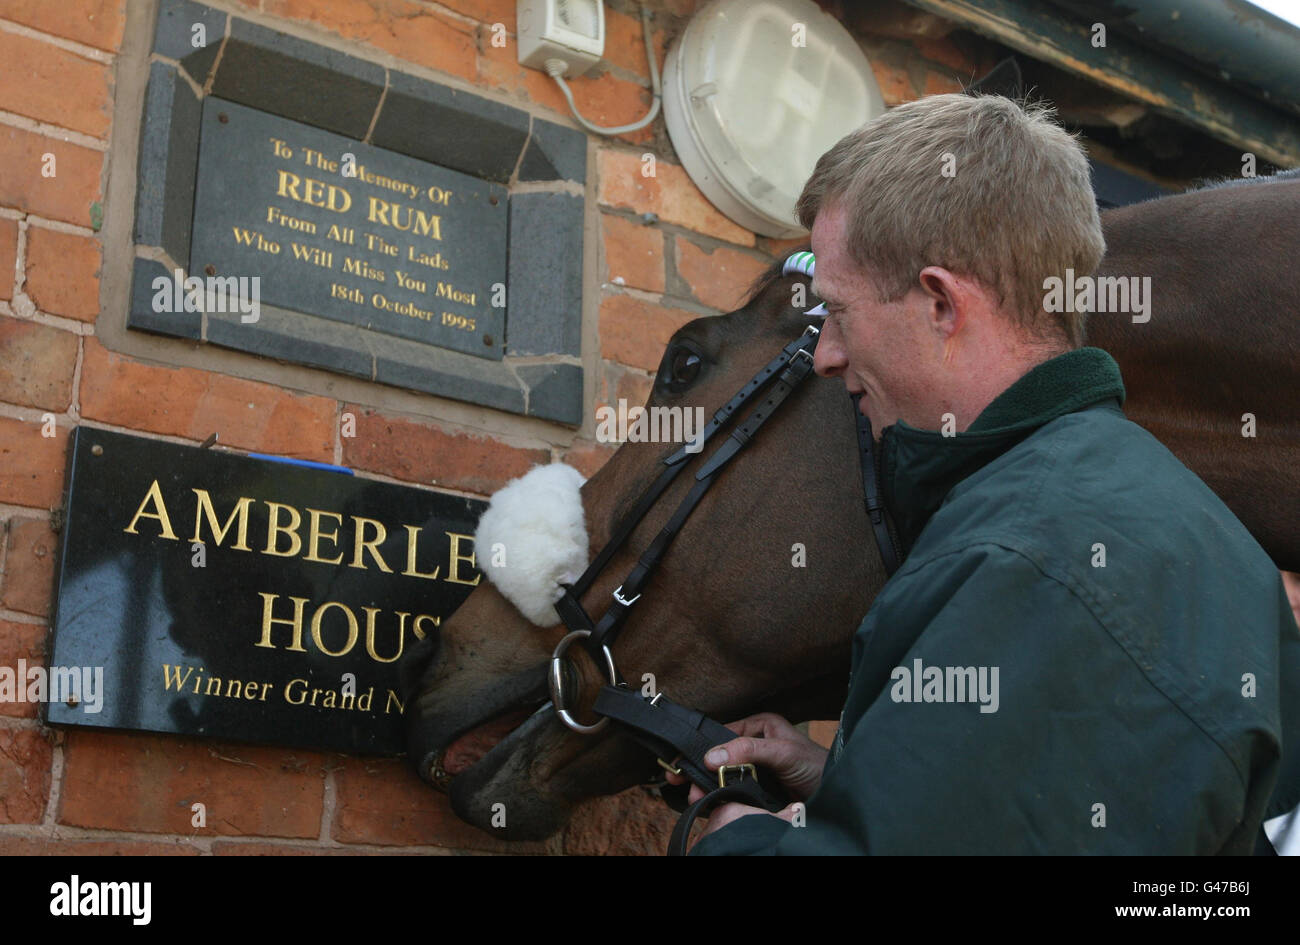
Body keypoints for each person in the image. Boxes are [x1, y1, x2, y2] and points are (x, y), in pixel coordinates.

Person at [671, 93, 1300, 855]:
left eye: (838, 311)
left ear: (940, 303)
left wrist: (739, 838)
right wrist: (843, 784)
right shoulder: (1136, 510)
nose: (828, 353)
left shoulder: (1032, 559)